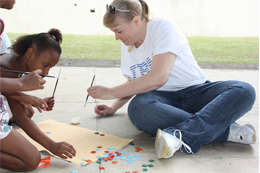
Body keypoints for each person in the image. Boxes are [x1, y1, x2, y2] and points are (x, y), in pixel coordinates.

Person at [87, 0, 256, 160]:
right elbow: (134, 83)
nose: (117, 37)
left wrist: (109, 92)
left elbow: (158, 78)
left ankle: (182, 134)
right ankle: (223, 130)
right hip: (162, 100)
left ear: (136, 21)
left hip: (197, 93)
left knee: (244, 91)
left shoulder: (163, 27)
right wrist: (113, 106)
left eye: (119, 30)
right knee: (138, 108)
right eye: (114, 32)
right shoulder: (127, 45)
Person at [0, 28, 76, 172]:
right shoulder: (6, 68)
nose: (46, 73)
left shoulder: (13, 63)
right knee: (31, 159)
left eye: (50, 67)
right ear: (30, 53)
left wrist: (33, 100)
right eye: (45, 65)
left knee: (27, 110)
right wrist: (51, 145)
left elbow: (10, 92)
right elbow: (21, 118)